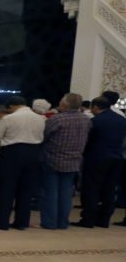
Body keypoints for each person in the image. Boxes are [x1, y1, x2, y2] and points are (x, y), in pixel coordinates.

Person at [0, 96, 46, 230]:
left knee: (6, 189)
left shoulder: (8, 118)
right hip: (33, 154)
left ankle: (2, 222)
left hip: (11, 153)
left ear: (11, 107)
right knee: (26, 190)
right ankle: (21, 222)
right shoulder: (40, 118)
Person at [40, 93, 90, 230]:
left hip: (53, 159)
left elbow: (43, 137)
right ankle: (63, 223)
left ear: (64, 105)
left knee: (50, 193)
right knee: (66, 194)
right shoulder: (86, 120)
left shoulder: (57, 119)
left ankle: (49, 223)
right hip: (74, 161)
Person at [76, 96, 126, 228]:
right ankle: (104, 220)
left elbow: (88, 140)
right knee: (109, 189)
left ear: (96, 107)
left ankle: (88, 219)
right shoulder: (121, 120)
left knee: (92, 188)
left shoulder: (96, 121)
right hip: (116, 158)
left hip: (97, 158)